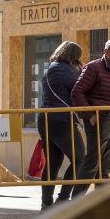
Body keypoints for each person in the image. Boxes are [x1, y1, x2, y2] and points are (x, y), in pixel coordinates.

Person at [70, 39, 110, 197]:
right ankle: (76, 202)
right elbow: (76, 93)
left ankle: (101, 202)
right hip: (99, 120)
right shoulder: (93, 67)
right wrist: (91, 116)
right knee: (93, 162)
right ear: (106, 52)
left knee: (106, 165)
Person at [36, 41, 85, 210]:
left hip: (45, 118)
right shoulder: (67, 70)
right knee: (80, 159)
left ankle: (46, 203)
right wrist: (82, 72)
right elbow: (81, 89)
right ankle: (63, 197)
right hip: (61, 119)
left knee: (53, 163)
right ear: (74, 56)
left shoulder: (50, 69)